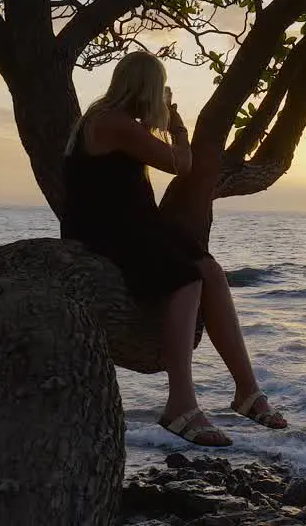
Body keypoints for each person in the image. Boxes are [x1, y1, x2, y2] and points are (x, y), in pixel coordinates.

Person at [60, 51, 287, 447]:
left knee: (211, 272)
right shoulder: (112, 122)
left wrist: (174, 127)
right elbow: (179, 166)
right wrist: (175, 126)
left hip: (136, 227)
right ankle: (180, 402)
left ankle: (247, 391)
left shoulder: (116, 122)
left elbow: (181, 163)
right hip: (105, 232)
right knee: (185, 280)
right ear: (147, 88)